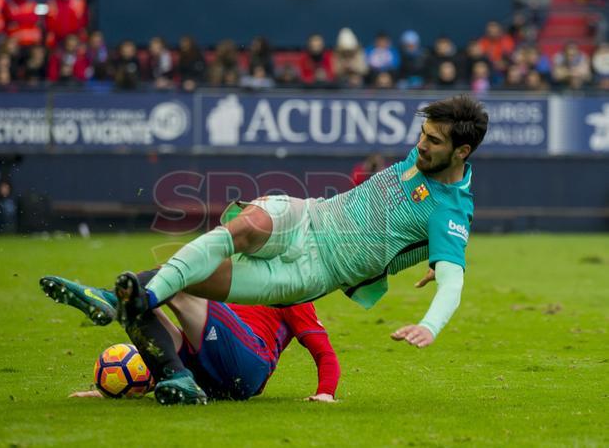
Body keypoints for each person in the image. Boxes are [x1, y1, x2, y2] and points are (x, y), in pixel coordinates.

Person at [52, 95, 488, 405]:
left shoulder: (450, 211)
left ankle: (129, 308)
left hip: (314, 272)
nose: (421, 144)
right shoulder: (425, 155)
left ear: (461, 151)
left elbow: (454, 280)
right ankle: (123, 303)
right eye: (423, 134)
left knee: (187, 276)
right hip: (309, 216)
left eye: (433, 140)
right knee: (249, 223)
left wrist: (431, 322)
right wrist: (429, 253)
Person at [40, 269, 340, 405]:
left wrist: (326, 392)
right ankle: (177, 377)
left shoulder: (291, 290)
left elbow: (323, 352)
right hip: (210, 379)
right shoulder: (234, 277)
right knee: (136, 307)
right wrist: (115, 391)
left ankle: (109, 299)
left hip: (250, 365)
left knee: (177, 278)